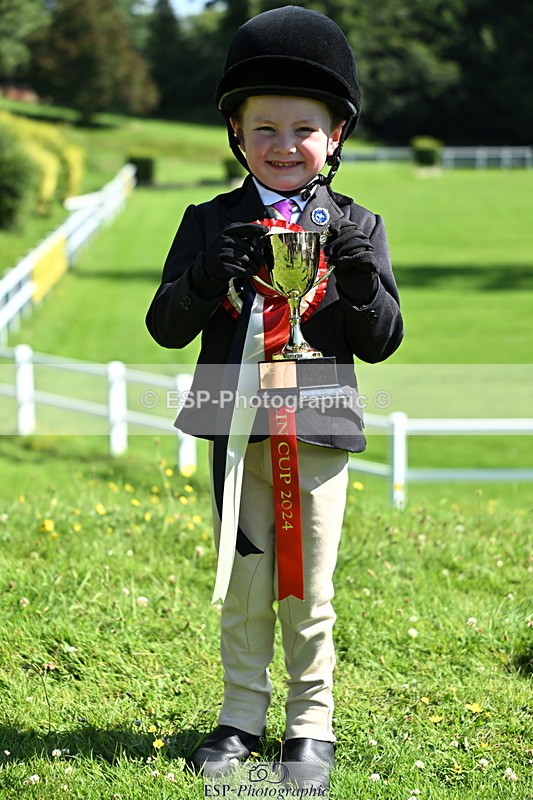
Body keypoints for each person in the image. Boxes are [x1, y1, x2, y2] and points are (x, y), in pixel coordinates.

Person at [146, 5, 403, 790]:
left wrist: (358, 283)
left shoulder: (356, 223)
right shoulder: (209, 220)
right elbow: (164, 325)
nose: (283, 146)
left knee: (308, 583)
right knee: (245, 580)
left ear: (334, 137)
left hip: (317, 426)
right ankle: (238, 717)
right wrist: (202, 276)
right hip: (232, 427)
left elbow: (383, 336)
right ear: (235, 134)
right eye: (264, 129)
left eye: (302, 129)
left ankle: (311, 725)